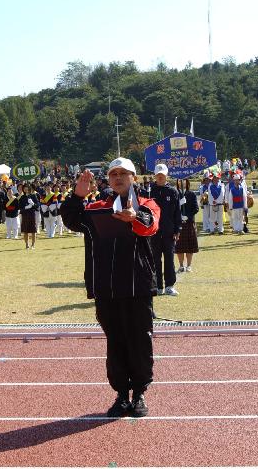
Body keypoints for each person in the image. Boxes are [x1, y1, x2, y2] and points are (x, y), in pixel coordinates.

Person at [60, 158, 160, 418]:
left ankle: (139, 394)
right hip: (106, 287)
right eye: (113, 174)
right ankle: (120, 395)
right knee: (115, 341)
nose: (118, 178)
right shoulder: (95, 207)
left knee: (139, 339)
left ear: (133, 178)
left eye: (123, 174)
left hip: (137, 285)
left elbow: (150, 225)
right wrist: (76, 196)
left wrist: (134, 216)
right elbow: (72, 219)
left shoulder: (146, 204)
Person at [146, 164, 181, 296]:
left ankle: (169, 286)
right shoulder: (149, 191)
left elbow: (177, 212)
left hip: (169, 232)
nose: (160, 177)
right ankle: (158, 286)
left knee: (169, 259)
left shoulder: (173, 192)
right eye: (158, 174)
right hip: (153, 232)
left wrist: (177, 230)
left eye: (162, 174)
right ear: (155, 175)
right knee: (155, 259)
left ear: (166, 175)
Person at [175, 178, 199, 273]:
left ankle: (189, 265)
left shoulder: (191, 194)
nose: (182, 182)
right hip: (178, 223)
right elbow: (172, 208)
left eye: (184, 180)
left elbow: (196, 208)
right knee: (179, 246)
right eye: (180, 181)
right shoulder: (175, 193)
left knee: (189, 246)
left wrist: (188, 216)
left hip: (189, 222)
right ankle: (181, 265)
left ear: (187, 182)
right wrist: (179, 205)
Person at [18, 183, 39, 249]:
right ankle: (27, 244)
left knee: (33, 230)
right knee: (25, 231)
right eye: (24, 188)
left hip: (32, 214)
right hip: (25, 215)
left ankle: (33, 245)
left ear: (29, 188)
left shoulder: (33, 196)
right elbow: (20, 207)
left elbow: (37, 206)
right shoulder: (22, 197)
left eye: (27, 187)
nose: (26, 189)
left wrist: (33, 204)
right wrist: (25, 207)